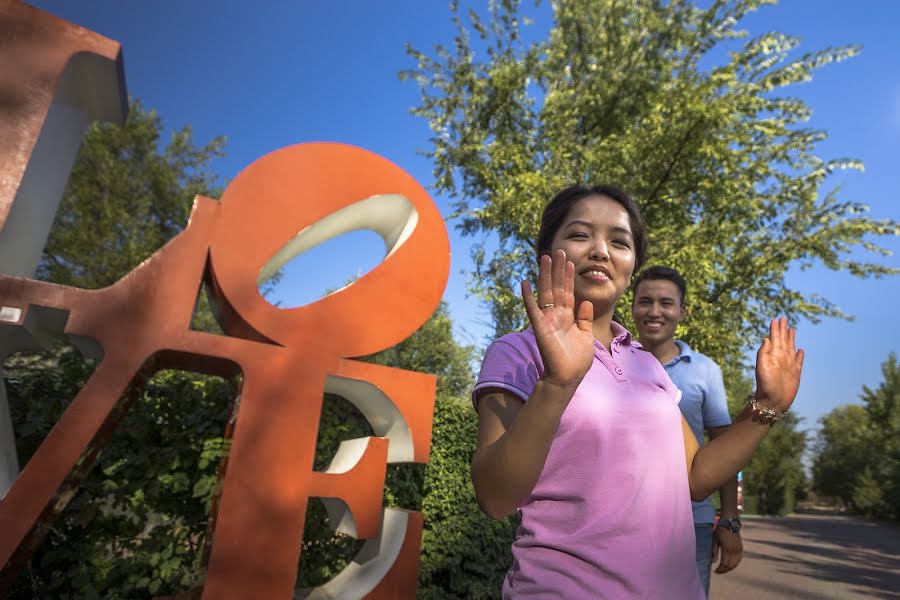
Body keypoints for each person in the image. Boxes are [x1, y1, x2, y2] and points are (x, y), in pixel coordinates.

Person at [471, 184, 804, 599]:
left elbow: (696, 478)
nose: (600, 250)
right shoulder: (517, 352)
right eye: (579, 235)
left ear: (631, 265)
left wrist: (766, 407)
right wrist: (558, 384)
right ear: (547, 250)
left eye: (619, 241)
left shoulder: (647, 364)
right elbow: (495, 497)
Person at [632, 266, 742, 596]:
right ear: (633, 306)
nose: (654, 311)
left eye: (665, 303)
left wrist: (730, 521)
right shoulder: (611, 361)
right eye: (645, 301)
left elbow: (726, 450)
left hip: (691, 523)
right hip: (622, 521)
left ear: (681, 311)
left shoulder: (706, 371)